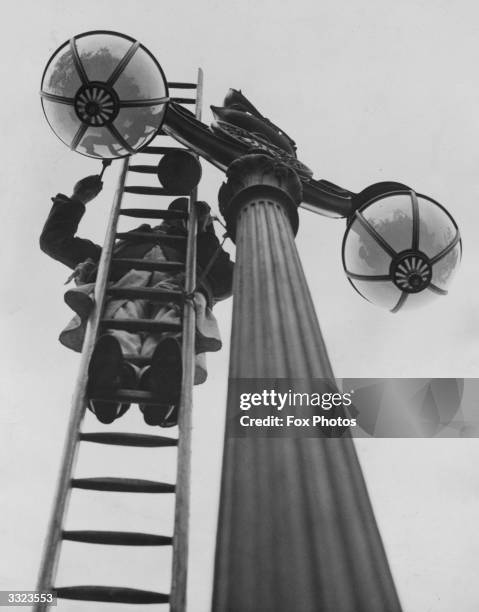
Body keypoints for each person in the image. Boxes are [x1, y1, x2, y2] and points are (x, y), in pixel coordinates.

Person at [40, 172, 234, 426]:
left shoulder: (203, 259)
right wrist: (78, 199)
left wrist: (213, 232)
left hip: (178, 292)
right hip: (122, 288)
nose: (178, 223)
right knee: (119, 324)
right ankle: (114, 382)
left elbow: (236, 276)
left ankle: (160, 388)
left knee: (173, 328)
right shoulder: (113, 254)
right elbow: (54, 242)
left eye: (188, 219)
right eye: (176, 217)